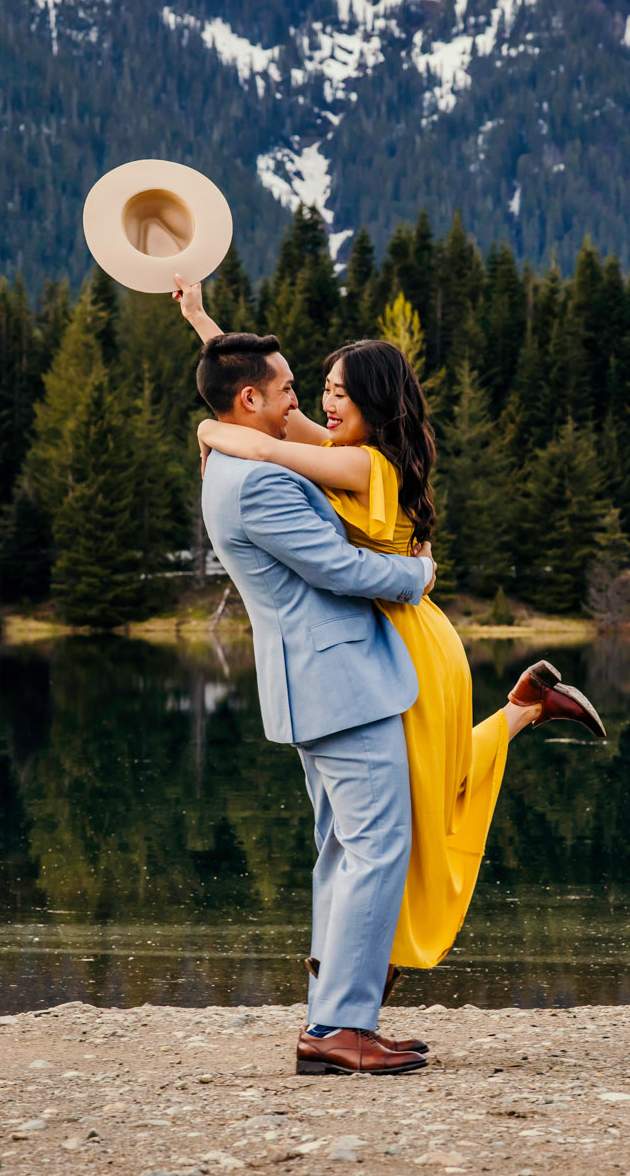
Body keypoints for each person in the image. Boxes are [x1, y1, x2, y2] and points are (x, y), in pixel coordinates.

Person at [175, 275, 604, 1010]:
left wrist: (213, 431)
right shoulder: (347, 444)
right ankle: (527, 709)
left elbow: (259, 434)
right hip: (386, 639)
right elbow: (250, 397)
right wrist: (200, 321)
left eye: (338, 391)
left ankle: (357, 983)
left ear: (372, 400)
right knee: (413, 794)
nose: (320, 403)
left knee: (417, 801)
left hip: (402, 644)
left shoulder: (360, 462)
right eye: (318, 389)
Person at [194, 327, 434, 1076]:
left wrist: (203, 319)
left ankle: (334, 1019)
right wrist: (416, 577)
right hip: (340, 685)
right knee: (376, 847)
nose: (301, 399)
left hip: (318, 686)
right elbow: (336, 568)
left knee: (342, 851)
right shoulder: (256, 479)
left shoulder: (229, 462)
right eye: (289, 387)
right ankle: (339, 1028)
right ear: (249, 398)